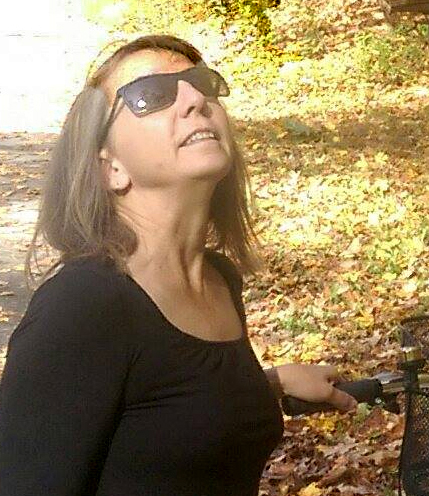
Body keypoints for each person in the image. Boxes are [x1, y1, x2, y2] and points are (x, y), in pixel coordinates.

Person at [0, 34, 356, 496]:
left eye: (201, 82)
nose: (195, 99)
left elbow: (164, 414)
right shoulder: (84, 306)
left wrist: (267, 384)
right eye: (150, 96)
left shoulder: (218, 279)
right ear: (109, 168)